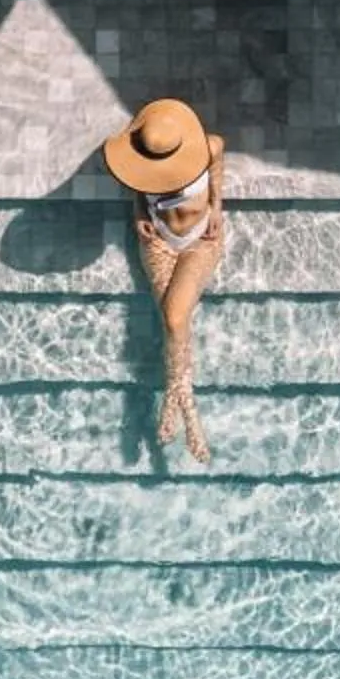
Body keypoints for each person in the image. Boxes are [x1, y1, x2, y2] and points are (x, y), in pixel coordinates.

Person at [104, 98, 226, 461]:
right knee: (174, 324)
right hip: (158, 241)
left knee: (174, 318)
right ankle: (185, 404)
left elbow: (218, 169)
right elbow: (139, 184)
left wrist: (217, 208)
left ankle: (181, 403)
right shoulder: (141, 158)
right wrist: (138, 210)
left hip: (200, 241)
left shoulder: (210, 146)